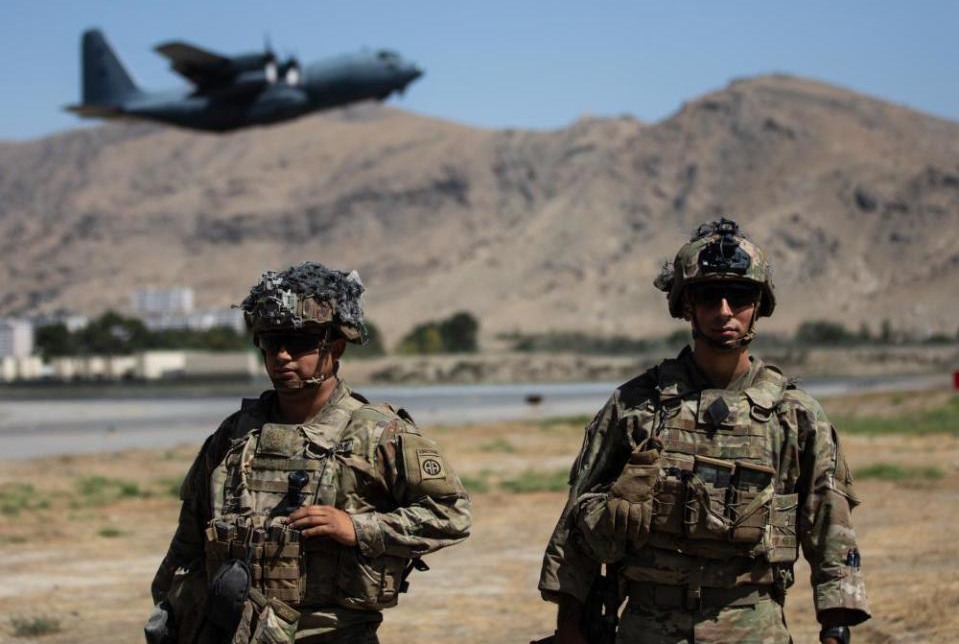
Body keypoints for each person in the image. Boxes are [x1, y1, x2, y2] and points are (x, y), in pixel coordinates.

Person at [537, 219, 870, 644]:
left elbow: (830, 525)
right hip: (647, 627)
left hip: (754, 626)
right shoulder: (636, 405)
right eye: (709, 296)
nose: (725, 311)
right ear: (685, 306)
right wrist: (569, 626)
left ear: (760, 305)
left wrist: (835, 624)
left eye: (741, 296)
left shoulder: (795, 415)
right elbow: (575, 521)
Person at [148, 262, 471, 644]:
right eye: (270, 343)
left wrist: (358, 528)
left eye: (298, 343)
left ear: (333, 348)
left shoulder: (377, 433)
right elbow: (189, 537)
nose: (282, 356)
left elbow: (451, 514)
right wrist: (169, 607)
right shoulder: (234, 435)